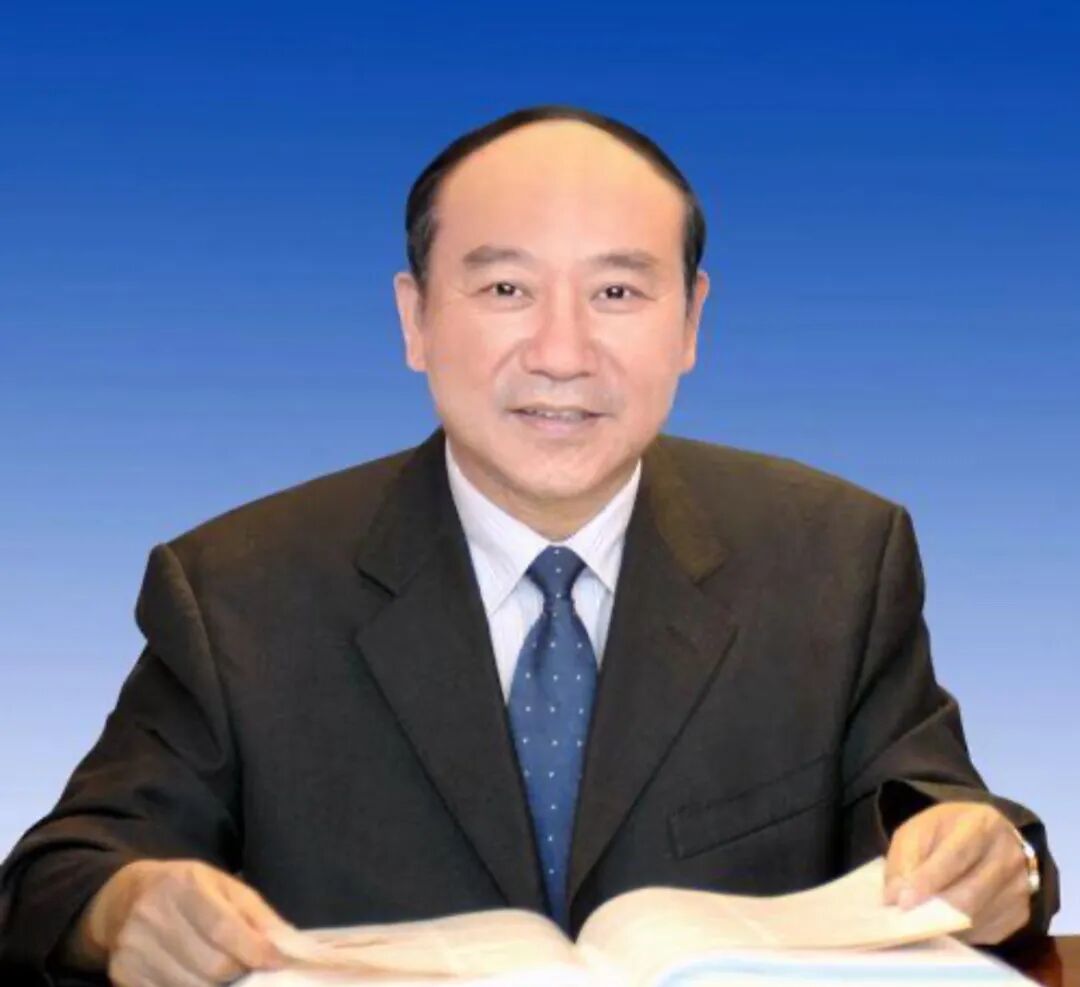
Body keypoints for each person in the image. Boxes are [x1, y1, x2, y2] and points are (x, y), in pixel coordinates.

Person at [0, 105, 1059, 987]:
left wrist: (987, 860)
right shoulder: (237, 589)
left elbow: (951, 817)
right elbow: (60, 875)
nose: (561, 353)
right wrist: (125, 907)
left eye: (617, 292)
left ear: (691, 321)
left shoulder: (835, 557)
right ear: (416, 319)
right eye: (506, 289)